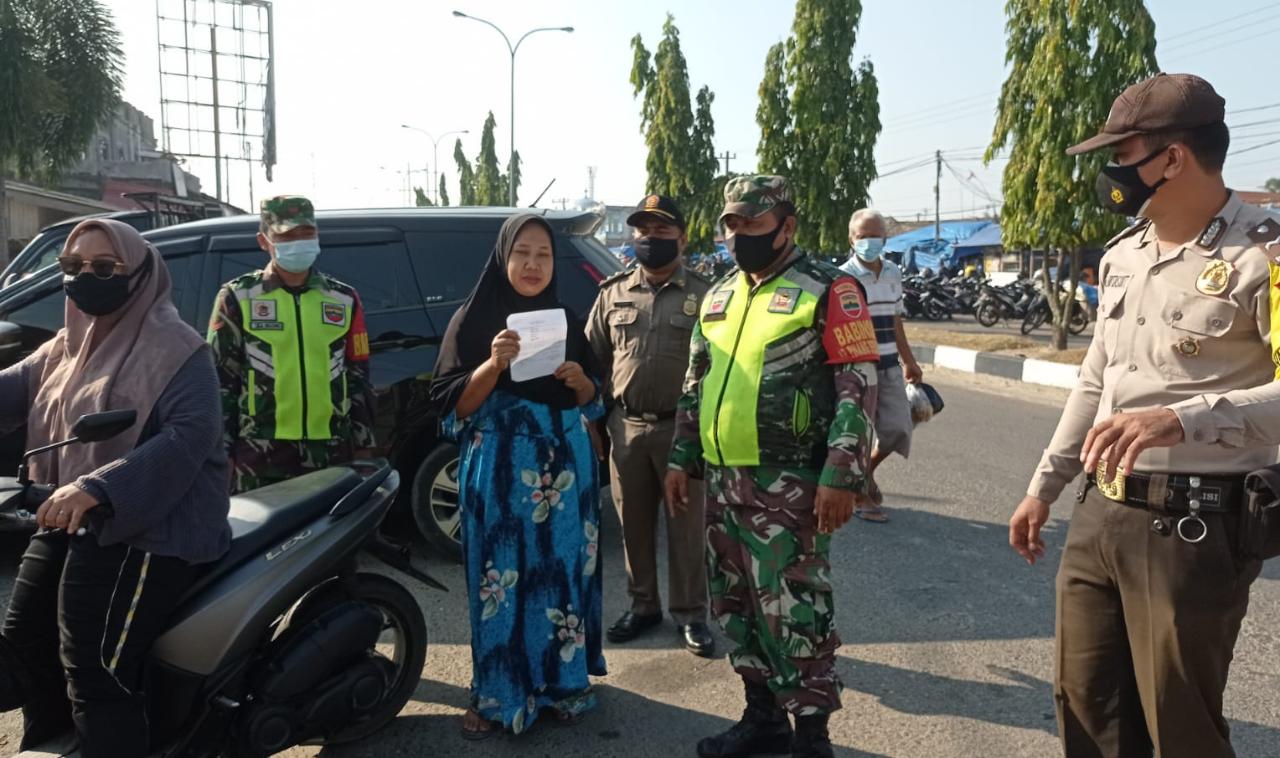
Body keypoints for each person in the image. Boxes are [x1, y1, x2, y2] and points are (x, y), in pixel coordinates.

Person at [1009, 73, 1280, 758]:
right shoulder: (1124, 255)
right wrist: (1044, 486)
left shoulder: (1264, 256)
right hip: (1100, 510)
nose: (1111, 172)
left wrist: (1185, 417)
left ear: (1173, 157)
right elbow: (1095, 381)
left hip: (1196, 524)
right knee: (1085, 707)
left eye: (1122, 153)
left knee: (1179, 726)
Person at [665, 175, 880, 758]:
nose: (738, 236)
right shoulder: (719, 295)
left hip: (792, 484)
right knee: (735, 605)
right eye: (731, 225)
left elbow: (858, 387)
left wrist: (841, 474)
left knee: (797, 612)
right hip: (724, 483)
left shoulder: (831, 290)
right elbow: (695, 385)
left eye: (752, 225)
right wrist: (682, 458)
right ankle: (761, 719)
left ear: (787, 226)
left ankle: (812, 738)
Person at [0, 219, 231, 756]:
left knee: (93, 666)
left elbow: (189, 435)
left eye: (103, 268)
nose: (85, 278)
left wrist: (100, 487)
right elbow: (11, 391)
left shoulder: (177, 347)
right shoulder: (66, 345)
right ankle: (49, 738)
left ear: (140, 274)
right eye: (72, 267)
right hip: (70, 515)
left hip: (151, 527)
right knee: (25, 646)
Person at [431, 213, 607, 739]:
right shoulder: (473, 320)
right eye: (522, 253)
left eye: (544, 255)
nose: (533, 264)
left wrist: (581, 384)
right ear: (503, 256)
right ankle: (498, 693)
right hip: (501, 473)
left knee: (559, 579)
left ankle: (561, 684)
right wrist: (491, 366)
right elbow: (452, 410)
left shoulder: (568, 322)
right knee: (499, 585)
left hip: (564, 470)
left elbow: (596, 403)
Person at [586, 194, 714, 656]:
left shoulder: (705, 295)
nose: (651, 239)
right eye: (644, 231)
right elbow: (592, 359)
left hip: (684, 431)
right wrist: (593, 419)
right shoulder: (612, 292)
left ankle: (692, 614)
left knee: (686, 527)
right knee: (633, 526)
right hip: (625, 428)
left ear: (682, 236)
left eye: (661, 231)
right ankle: (643, 606)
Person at [207, 195, 376, 493]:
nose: (298, 241)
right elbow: (220, 381)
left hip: (332, 449)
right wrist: (223, 453)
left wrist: (364, 446)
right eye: (286, 235)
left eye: (306, 233)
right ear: (264, 240)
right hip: (260, 453)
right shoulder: (239, 297)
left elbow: (358, 376)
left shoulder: (343, 298)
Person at [840, 208, 923, 523]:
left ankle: (866, 473)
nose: (869, 242)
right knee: (860, 434)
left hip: (889, 364)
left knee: (898, 429)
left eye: (875, 236)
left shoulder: (892, 272)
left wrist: (909, 360)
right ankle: (862, 497)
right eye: (863, 237)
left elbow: (895, 319)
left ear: (885, 238)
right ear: (852, 239)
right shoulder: (843, 277)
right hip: (858, 366)